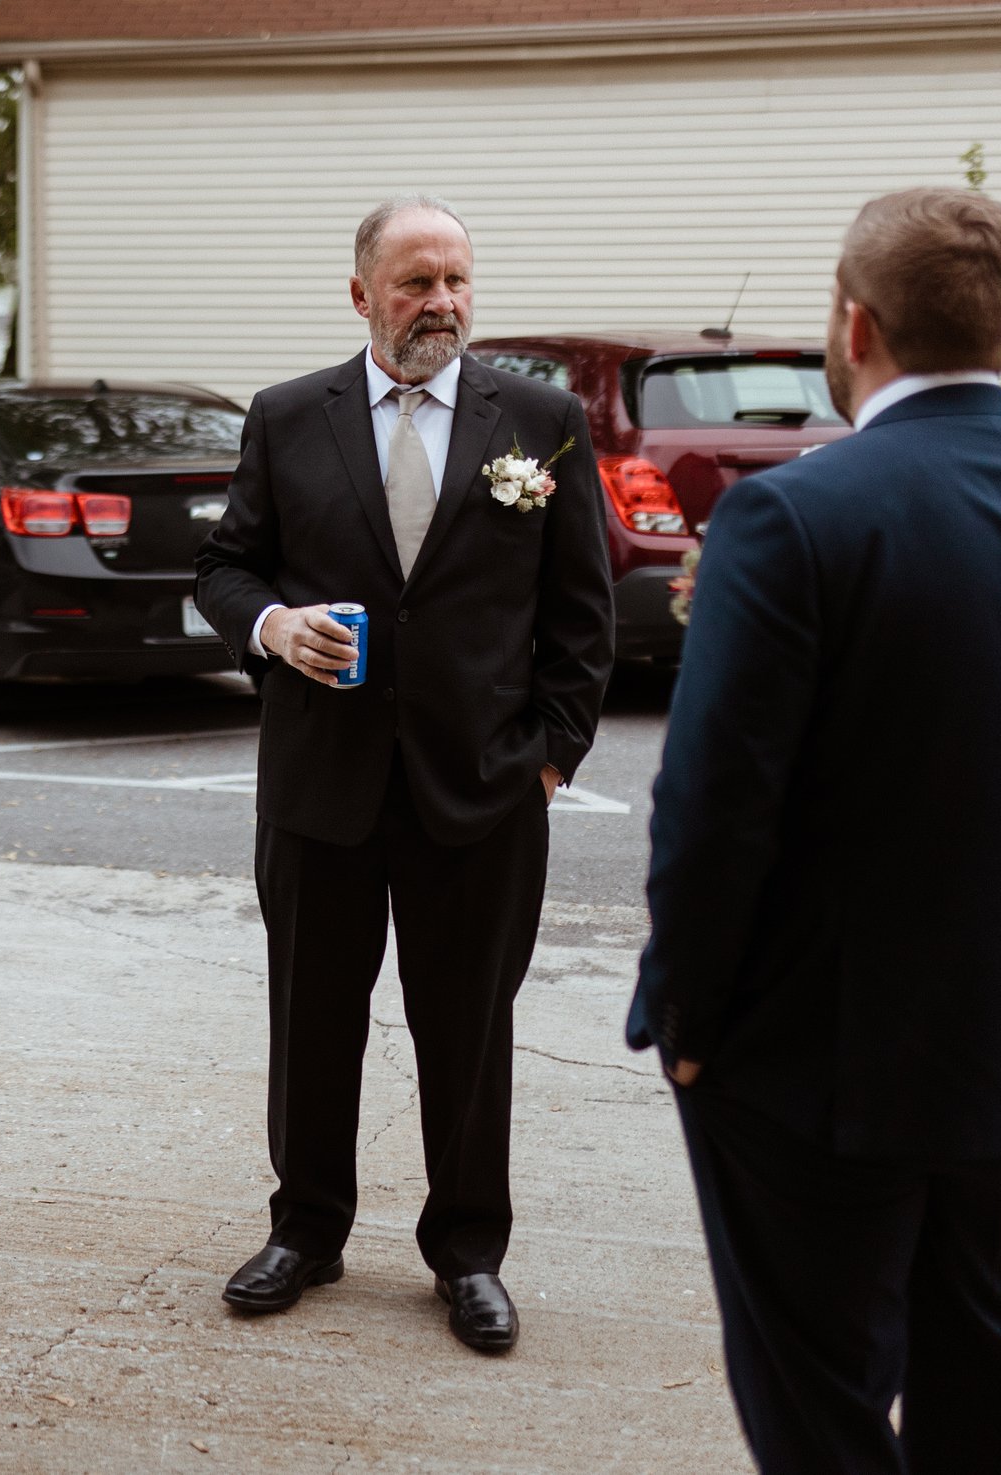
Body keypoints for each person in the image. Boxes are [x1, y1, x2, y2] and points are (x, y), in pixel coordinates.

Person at [628, 188, 1001, 1472]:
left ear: (853, 322)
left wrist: (688, 1023)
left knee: (817, 1407)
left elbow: (712, 807)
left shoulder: (796, 515)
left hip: (818, 1073)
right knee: (989, 1398)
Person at [195, 195, 614, 1354]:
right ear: (361, 294)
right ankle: (307, 1229)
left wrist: (548, 761)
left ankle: (468, 1252)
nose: (441, 302)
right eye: (416, 281)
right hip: (320, 786)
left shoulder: (538, 418)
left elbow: (580, 614)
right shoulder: (288, 417)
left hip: (481, 795)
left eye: (457, 280)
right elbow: (224, 566)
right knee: (311, 1020)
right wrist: (272, 626)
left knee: (467, 1034)